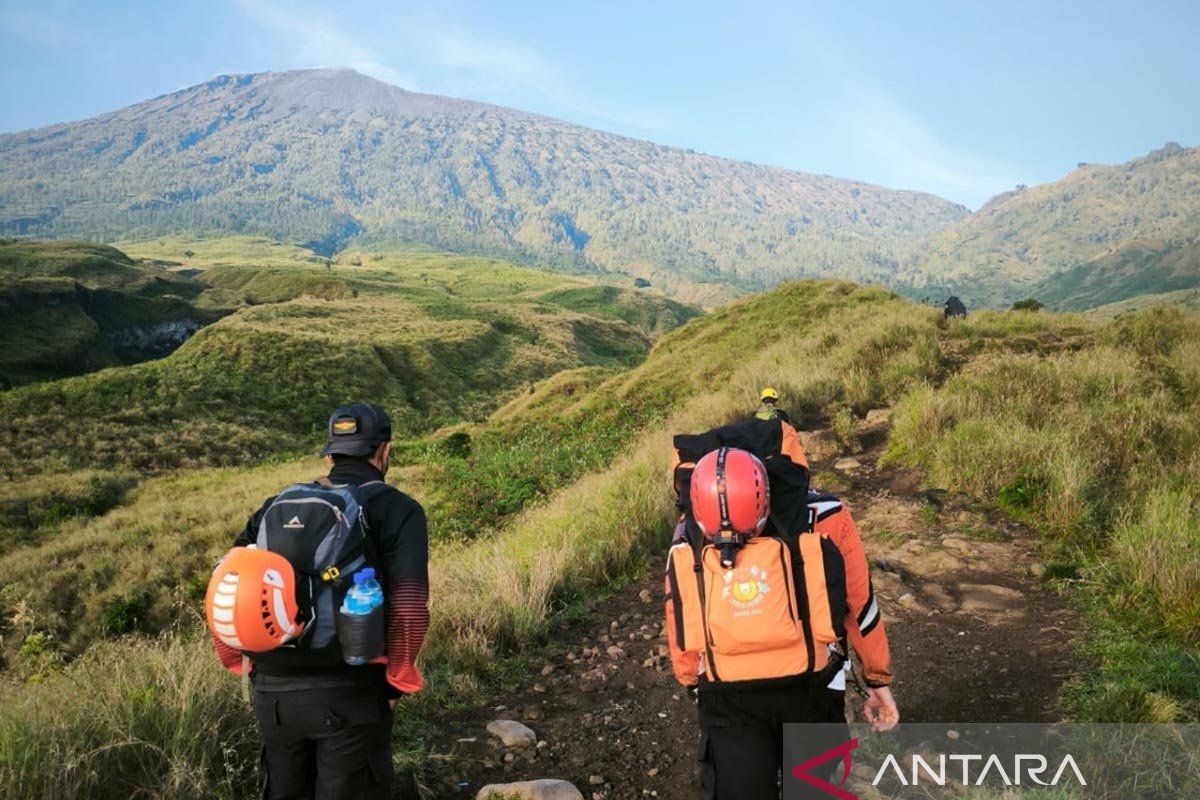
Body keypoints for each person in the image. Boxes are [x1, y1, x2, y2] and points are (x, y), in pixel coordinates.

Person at [208, 402, 429, 800]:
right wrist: (396, 683)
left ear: (330, 456)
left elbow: (227, 580)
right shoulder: (399, 509)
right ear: (384, 451)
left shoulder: (275, 505)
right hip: (351, 693)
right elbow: (409, 606)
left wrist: (237, 660)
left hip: (272, 692)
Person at [666, 423, 897, 800]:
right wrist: (877, 679)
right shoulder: (826, 512)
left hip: (727, 696)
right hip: (813, 686)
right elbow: (860, 603)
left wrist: (691, 678)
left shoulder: (692, 528)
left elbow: (678, 610)